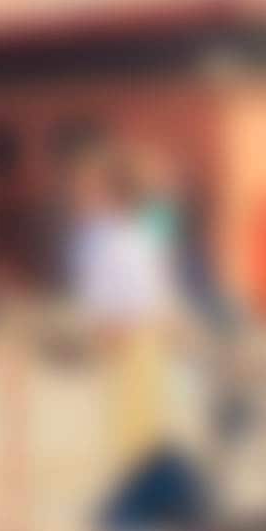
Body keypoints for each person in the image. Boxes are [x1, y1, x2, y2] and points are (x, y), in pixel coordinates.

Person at [67, 145, 180, 481]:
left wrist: (120, 325)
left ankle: (143, 480)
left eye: (91, 192)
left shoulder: (128, 235)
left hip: (134, 332)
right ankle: (137, 476)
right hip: (120, 332)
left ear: (113, 194)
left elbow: (145, 287)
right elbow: (95, 288)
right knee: (124, 418)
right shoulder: (95, 235)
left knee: (138, 419)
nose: (82, 200)